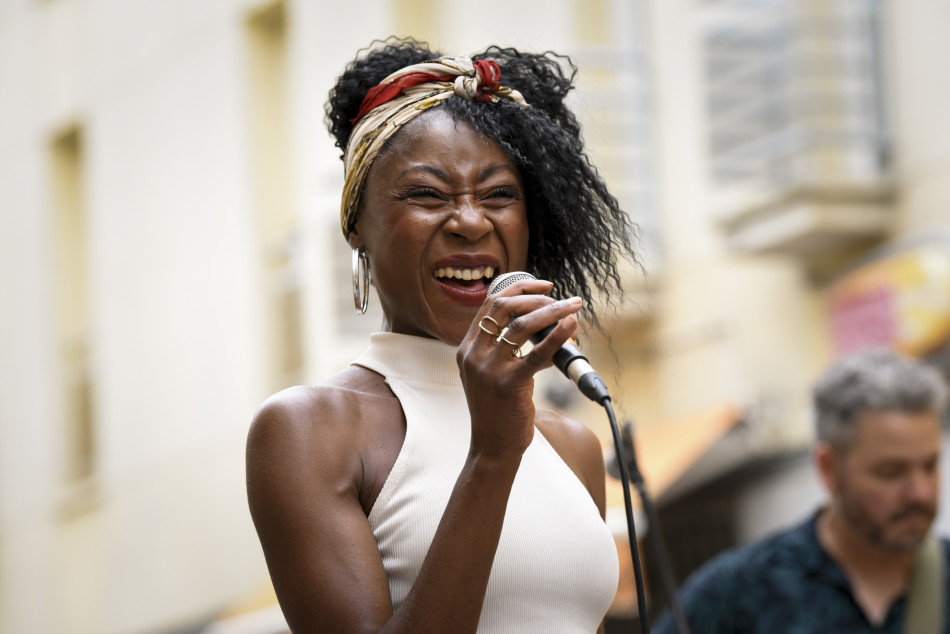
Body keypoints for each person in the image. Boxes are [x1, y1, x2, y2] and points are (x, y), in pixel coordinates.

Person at [245, 38, 637, 633]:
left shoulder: (571, 445)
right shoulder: (308, 431)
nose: (471, 222)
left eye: (499, 195)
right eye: (427, 195)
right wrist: (492, 455)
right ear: (356, 226)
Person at [653, 347, 950, 634]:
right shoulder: (739, 592)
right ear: (828, 468)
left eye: (930, 466)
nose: (920, 493)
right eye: (891, 472)